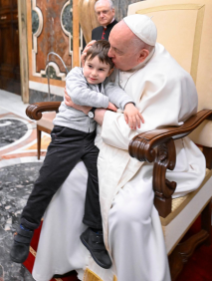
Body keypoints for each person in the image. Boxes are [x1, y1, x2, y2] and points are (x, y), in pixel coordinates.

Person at [31, 14, 205, 281]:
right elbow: (99, 74)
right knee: (68, 182)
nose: (109, 55)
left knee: (128, 214)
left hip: (153, 156)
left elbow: (140, 139)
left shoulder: (169, 80)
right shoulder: (120, 57)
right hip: (105, 144)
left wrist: (90, 109)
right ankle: (69, 256)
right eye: (108, 45)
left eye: (116, 50)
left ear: (142, 54)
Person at [10, 40, 143, 269]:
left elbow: (117, 93)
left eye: (101, 69)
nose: (93, 73)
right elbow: (79, 96)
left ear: (109, 71)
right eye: (90, 66)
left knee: (99, 177)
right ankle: (25, 230)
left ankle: (93, 232)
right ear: (84, 62)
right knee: (47, 182)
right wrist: (108, 104)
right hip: (66, 137)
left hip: (88, 140)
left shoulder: (106, 85)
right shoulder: (76, 75)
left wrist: (128, 105)